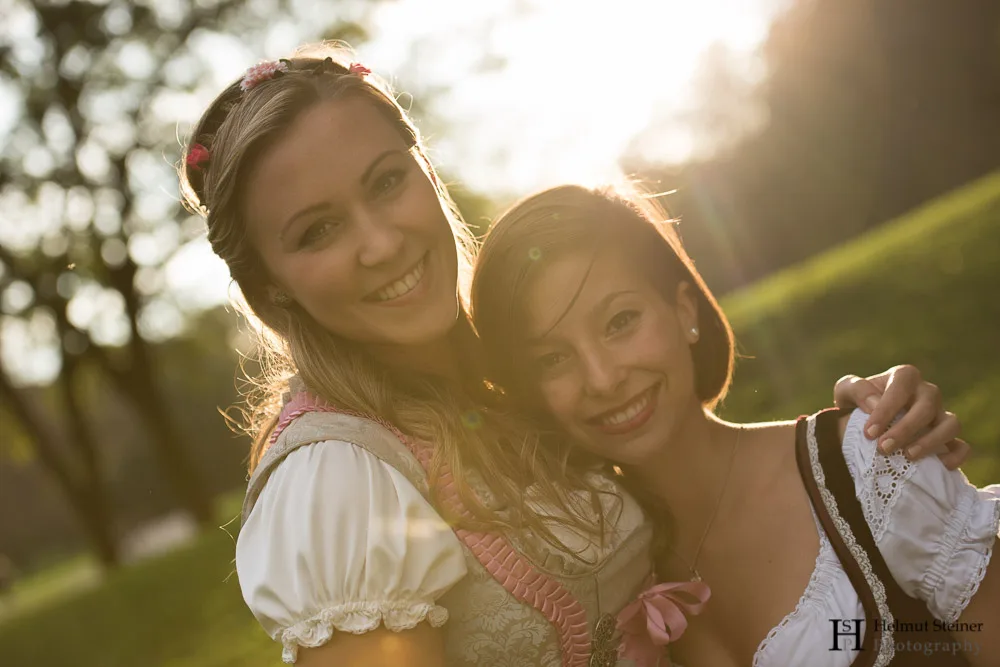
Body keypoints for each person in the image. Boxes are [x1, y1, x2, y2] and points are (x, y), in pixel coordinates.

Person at [179, 45, 972, 666]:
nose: (380, 243)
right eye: (317, 231)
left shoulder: (493, 379)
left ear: (427, 172)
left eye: (387, 181)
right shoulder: (339, 485)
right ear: (270, 289)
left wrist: (866, 453)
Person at [470, 183, 999, 667]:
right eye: (552, 359)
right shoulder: (600, 579)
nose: (603, 379)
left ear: (684, 312)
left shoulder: (868, 468)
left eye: (620, 321)